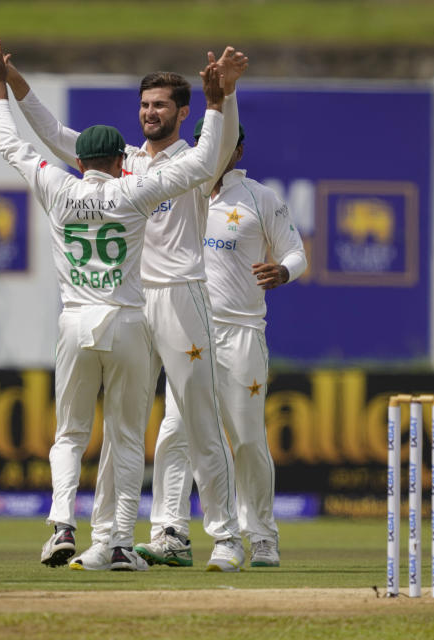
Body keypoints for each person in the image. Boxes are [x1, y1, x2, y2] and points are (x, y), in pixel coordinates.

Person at [0, 37, 227, 570]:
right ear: (118, 158)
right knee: (126, 436)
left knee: (81, 432)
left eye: (159, 105)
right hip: (128, 315)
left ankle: (69, 525)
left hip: (109, 313)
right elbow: (204, 162)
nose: (150, 113)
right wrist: (220, 102)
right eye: (144, 106)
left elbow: (17, 146)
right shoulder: (135, 183)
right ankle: (111, 541)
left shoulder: (59, 186)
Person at [138, 120, 306, 568]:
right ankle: (169, 532)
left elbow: (296, 252)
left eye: (229, 144)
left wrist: (283, 271)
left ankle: (262, 535)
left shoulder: (260, 198)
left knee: (247, 438)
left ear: (239, 151)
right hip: (191, 329)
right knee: (175, 431)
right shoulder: (180, 189)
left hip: (242, 331)